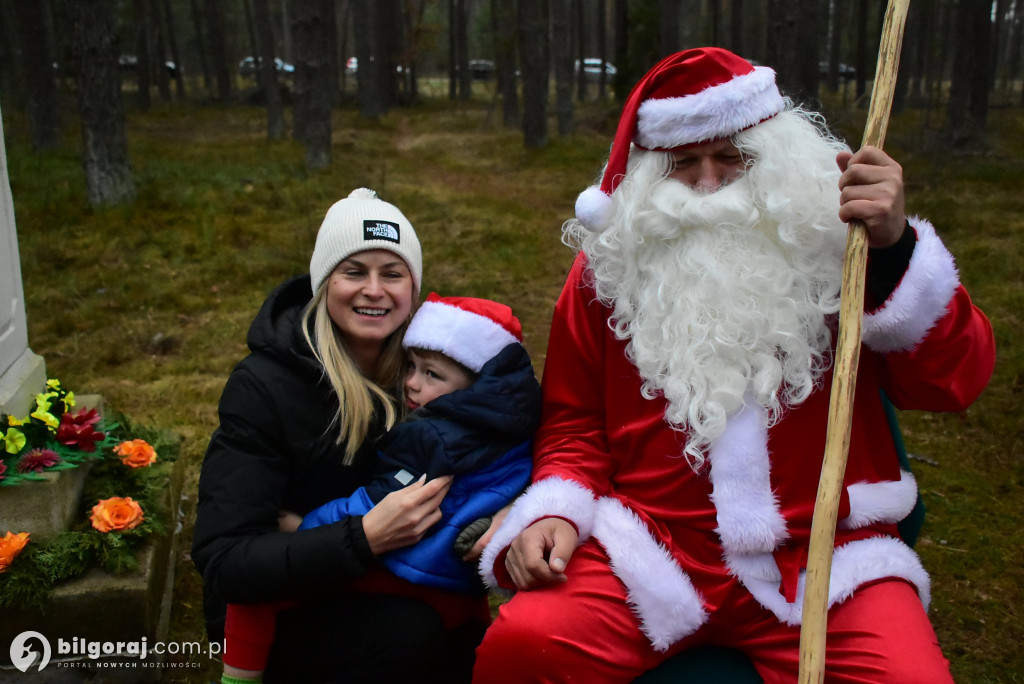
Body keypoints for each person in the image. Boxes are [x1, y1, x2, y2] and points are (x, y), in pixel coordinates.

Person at [472, 47, 996, 683]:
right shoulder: (608, 270)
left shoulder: (845, 248)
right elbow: (574, 424)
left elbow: (952, 381)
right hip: (651, 553)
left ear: (773, 156)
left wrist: (894, 250)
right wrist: (556, 506)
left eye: (732, 158)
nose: (709, 183)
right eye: (684, 163)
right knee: (522, 648)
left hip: (826, 564)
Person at [192, 188, 493, 684]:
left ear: (412, 288)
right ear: (324, 283)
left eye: (392, 273)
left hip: (395, 576)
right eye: (354, 271)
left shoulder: (436, 373)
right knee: (408, 636)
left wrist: (506, 513)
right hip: (279, 602)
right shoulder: (263, 386)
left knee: (475, 644)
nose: (374, 290)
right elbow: (225, 561)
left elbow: (507, 442)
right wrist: (365, 537)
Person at [221, 292, 541, 680]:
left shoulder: (433, 440)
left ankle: (238, 677)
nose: (410, 383)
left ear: (476, 385)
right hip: (464, 593)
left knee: (258, 594)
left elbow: (379, 500)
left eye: (431, 374)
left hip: (413, 571)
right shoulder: (517, 430)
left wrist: (306, 528)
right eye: (412, 367)